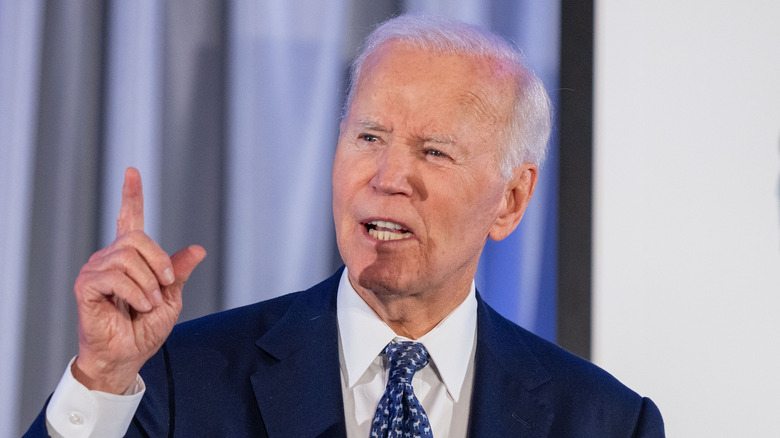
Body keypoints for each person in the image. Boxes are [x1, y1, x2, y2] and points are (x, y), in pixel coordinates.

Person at [25, 14, 664, 437]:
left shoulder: (605, 421)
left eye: (433, 151)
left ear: (511, 200)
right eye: (368, 136)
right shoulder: (180, 379)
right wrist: (102, 380)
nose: (386, 177)